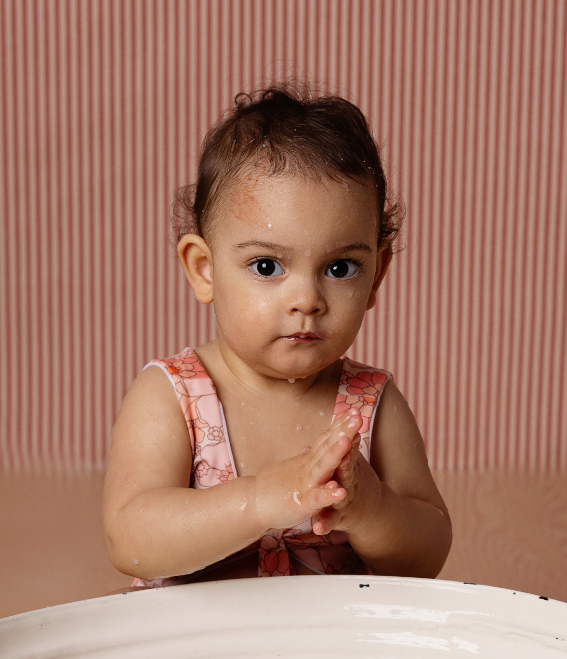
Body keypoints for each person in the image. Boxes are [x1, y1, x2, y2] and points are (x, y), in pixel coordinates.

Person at [103, 87, 451, 586]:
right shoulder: (172, 396)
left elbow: (427, 555)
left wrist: (373, 509)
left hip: (328, 652)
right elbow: (130, 540)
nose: (307, 299)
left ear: (376, 276)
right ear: (204, 270)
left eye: (340, 266)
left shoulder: (371, 405)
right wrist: (260, 498)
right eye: (267, 266)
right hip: (191, 654)